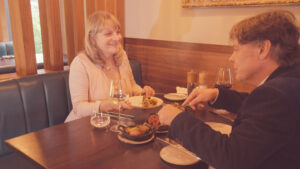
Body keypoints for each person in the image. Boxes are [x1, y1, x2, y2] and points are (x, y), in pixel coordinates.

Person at [158, 10, 300, 169]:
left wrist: (176, 119)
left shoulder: (278, 94)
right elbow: (260, 108)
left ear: (263, 49)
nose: (231, 58)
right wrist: (216, 94)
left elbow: (230, 158)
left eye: (236, 49)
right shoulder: (288, 82)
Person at [65, 11, 155, 122]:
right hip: (87, 125)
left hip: (117, 122)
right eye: (108, 34)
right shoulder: (80, 63)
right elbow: (78, 109)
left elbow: (132, 85)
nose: (117, 38)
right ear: (93, 39)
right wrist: (104, 105)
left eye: (117, 32)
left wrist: (141, 93)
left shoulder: (122, 56)